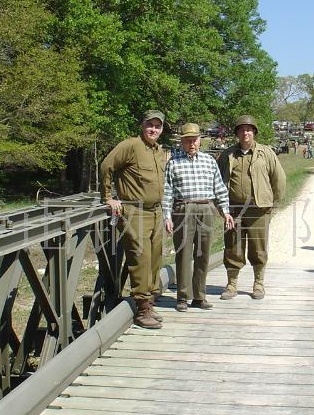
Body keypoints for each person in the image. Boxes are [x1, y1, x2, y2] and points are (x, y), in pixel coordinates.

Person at [100, 110, 167, 329]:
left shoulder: (158, 151)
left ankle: (150, 301)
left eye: (158, 126)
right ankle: (141, 308)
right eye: (150, 125)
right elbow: (106, 166)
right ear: (142, 125)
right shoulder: (130, 145)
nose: (153, 129)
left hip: (155, 211)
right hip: (135, 211)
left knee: (155, 257)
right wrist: (108, 197)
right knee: (140, 258)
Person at [163, 123, 234, 312]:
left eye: (194, 140)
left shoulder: (209, 161)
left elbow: (219, 187)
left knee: (203, 254)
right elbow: (167, 191)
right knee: (184, 254)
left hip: (206, 208)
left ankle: (199, 296)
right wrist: (167, 216)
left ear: (200, 140)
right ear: (182, 142)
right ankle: (182, 297)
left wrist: (225, 211)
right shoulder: (173, 162)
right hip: (183, 209)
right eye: (187, 140)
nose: (191, 144)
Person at [218, 115, 286, 300]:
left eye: (249, 129)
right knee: (233, 248)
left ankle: (258, 283)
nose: (245, 132)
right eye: (241, 129)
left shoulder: (266, 153)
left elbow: (278, 178)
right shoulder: (228, 155)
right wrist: (222, 209)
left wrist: (273, 203)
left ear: (254, 132)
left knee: (258, 248)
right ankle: (231, 285)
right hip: (234, 211)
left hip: (259, 210)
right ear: (237, 133)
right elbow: (218, 182)